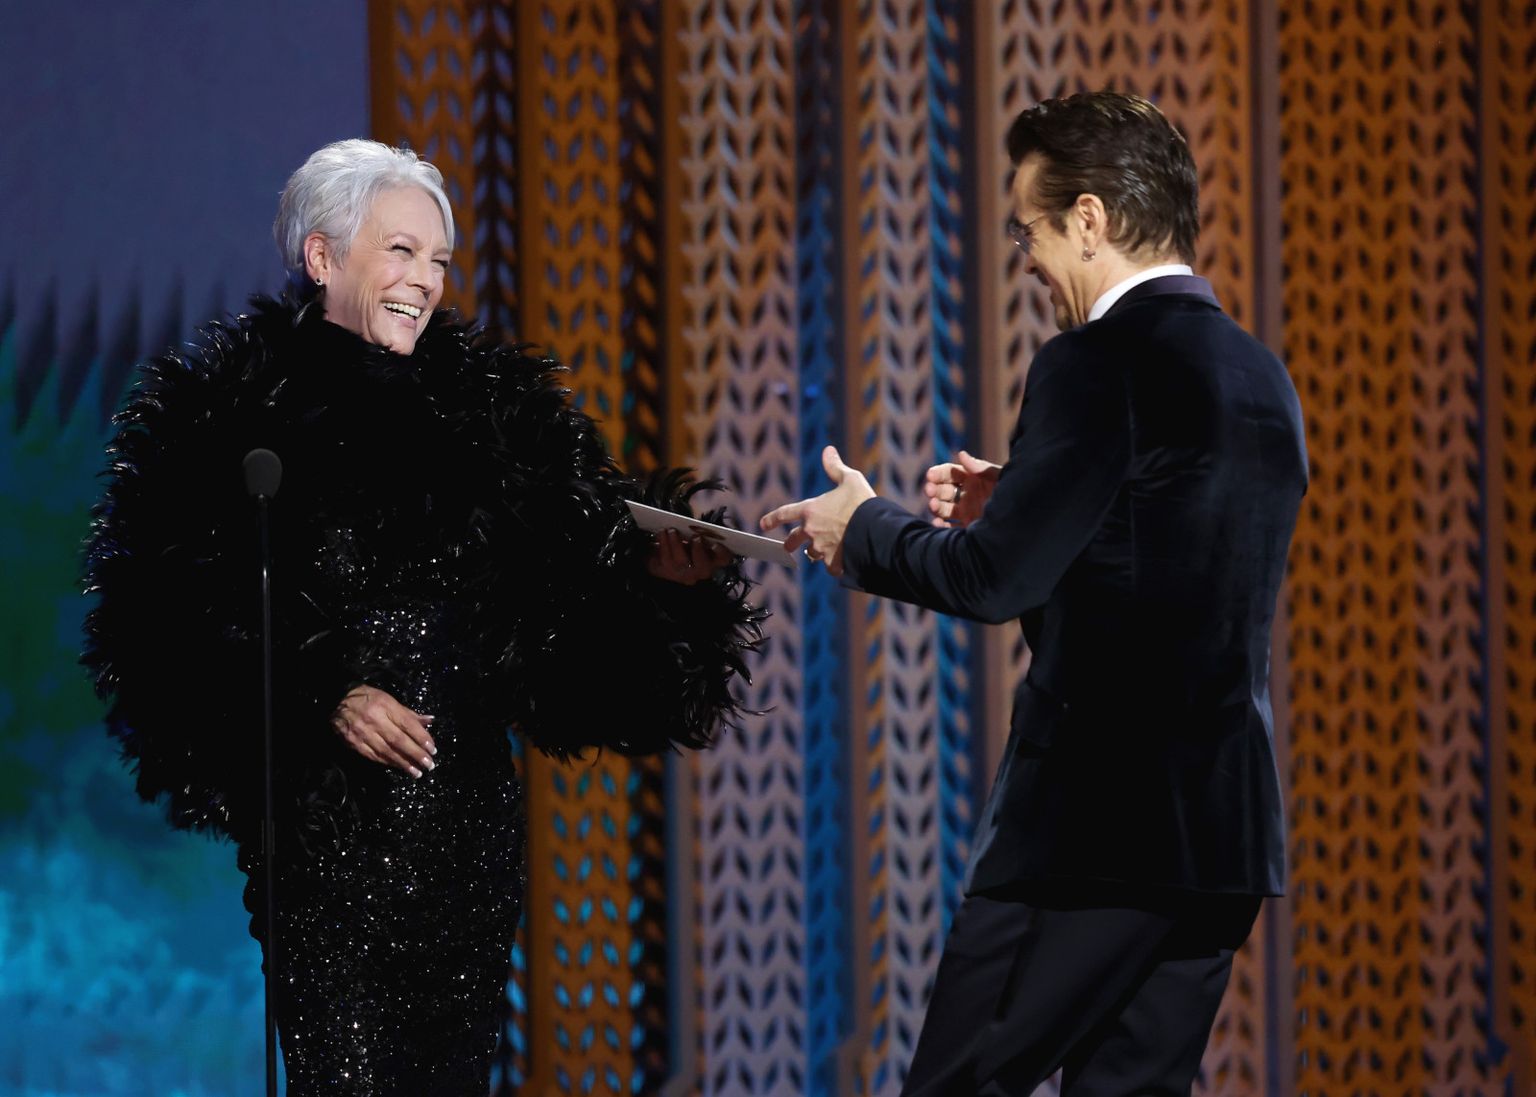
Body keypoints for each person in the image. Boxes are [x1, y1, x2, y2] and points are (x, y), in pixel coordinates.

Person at [83, 139, 762, 1095]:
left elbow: (568, 611)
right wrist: (321, 691)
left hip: (467, 837)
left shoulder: (502, 422)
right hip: (327, 844)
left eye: (438, 259)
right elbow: (166, 618)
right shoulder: (232, 421)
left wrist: (660, 578)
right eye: (400, 251)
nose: (425, 280)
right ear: (323, 257)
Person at [761, 91, 1307, 1095]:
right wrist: (1022, 502)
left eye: (1029, 230)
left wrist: (863, 527)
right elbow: (1165, 564)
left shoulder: (1095, 362)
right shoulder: (1261, 376)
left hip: (1089, 837)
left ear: (1089, 218)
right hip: (1220, 843)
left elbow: (989, 581)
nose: (1023, 258)